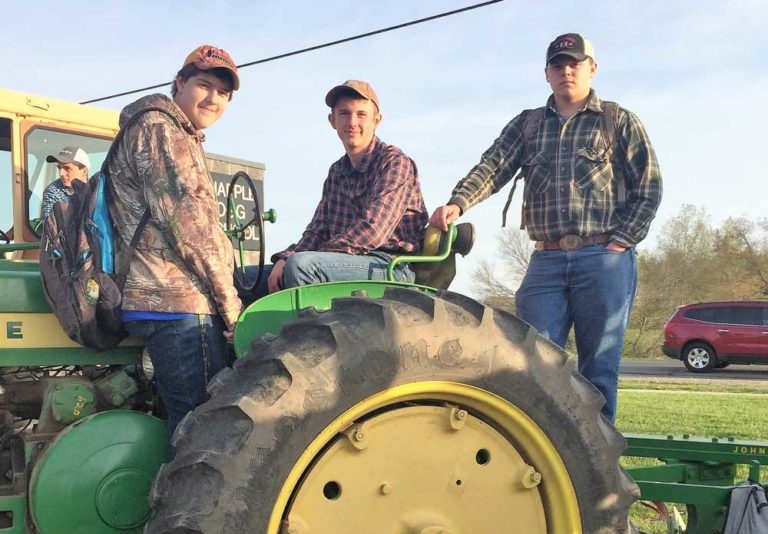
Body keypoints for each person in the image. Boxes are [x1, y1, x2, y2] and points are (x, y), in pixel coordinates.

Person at [429, 33, 662, 422]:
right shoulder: (528, 124)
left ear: (592, 67)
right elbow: (493, 165)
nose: (566, 70)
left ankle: (596, 473)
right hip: (547, 259)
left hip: (603, 259)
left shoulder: (617, 120)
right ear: (547, 73)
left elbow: (649, 186)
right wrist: (458, 202)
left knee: (598, 369)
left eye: (574, 62)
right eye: (558, 64)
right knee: (531, 362)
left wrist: (621, 243)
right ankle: (542, 457)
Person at [106, 44, 242, 439]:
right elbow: (190, 226)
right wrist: (229, 303)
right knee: (202, 428)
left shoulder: (169, 130)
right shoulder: (162, 128)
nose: (213, 98)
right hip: (176, 301)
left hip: (162, 298)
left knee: (185, 418)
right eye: (204, 84)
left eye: (223, 92)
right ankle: (191, 503)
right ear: (180, 83)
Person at [265, 79, 428, 294]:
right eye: (344, 113)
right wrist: (285, 258)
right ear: (332, 120)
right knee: (247, 277)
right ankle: (233, 328)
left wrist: (299, 259)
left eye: (361, 114)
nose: (352, 122)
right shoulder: (337, 172)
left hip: (389, 265)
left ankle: (304, 328)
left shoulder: (394, 163)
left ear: (376, 121)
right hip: (342, 261)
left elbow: (373, 231)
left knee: (301, 268)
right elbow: (318, 230)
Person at [41, 146, 91, 220]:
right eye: (59, 168)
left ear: (84, 171)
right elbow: (50, 225)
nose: (61, 173)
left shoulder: (98, 191)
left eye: (67, 168)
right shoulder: (52, 191)